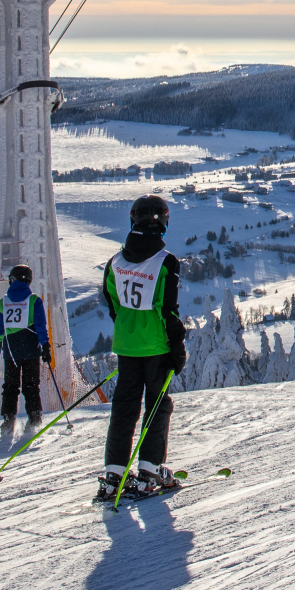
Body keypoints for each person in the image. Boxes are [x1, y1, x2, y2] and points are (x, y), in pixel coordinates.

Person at [97, 194, 186, 501]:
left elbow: (111, 301)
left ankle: (114, 474)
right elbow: (168, 311)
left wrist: (127, 326)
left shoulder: (115, 262)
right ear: (163, 222)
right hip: (156, 346)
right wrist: (178, 347)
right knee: (157, 406)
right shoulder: (165, 262)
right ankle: (149, 471)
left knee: (124, 408)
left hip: (126, 346)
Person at [0, 263, 51, 433]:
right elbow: (40, 326)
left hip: (10, 350)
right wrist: (45, 346)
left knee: (10, 386)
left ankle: (8, 420)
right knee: (31, 385)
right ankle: (34, 418)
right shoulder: (33, 301)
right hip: (31, 349)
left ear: (12, 280)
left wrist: (0, 341)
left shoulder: (2, 302)